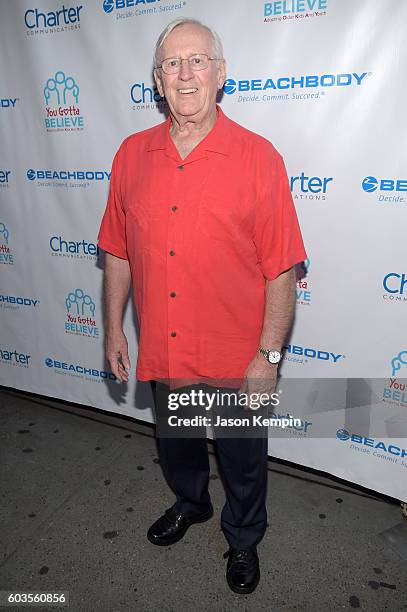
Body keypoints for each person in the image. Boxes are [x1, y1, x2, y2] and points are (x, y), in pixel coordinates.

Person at [97, 17, 307, 595]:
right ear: (157, 82)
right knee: (178, 444)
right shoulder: (131, 154)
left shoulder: (258, 157)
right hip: (164, 345)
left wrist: (268, 358)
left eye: (197, 61)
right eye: (172, 64)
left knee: (242, 459)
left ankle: (243, 539)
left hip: (236, 355)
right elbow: (117, 251)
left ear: (220, 74)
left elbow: (282, 268)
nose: (185, 73)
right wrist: (114, 327)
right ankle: (190, 503)